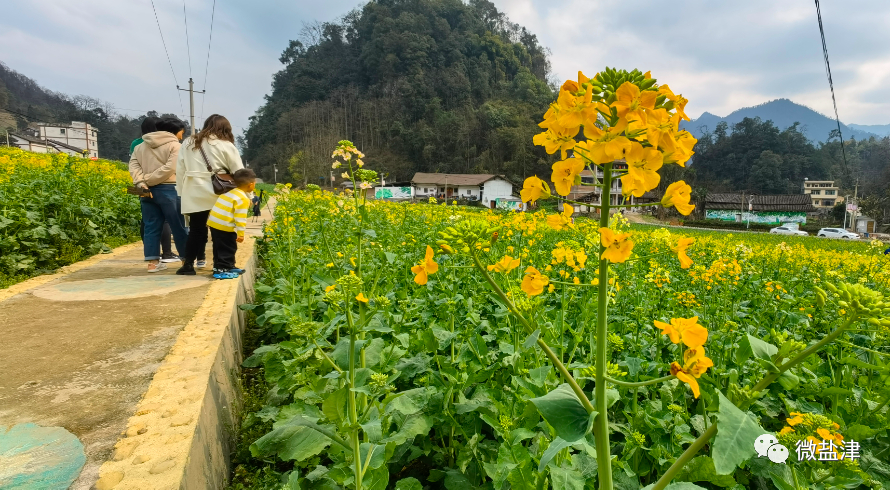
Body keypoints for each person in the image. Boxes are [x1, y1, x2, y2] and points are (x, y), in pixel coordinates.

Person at [175, 114, 244, 275]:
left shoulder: (188, 142)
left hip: (193, 190)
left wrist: (181, 191)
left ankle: (188, 265)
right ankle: (222, 264)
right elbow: (239, 172)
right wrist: (248, 195)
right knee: (221, 230)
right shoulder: (225, 144)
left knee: (196, 230)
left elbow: (180, 169)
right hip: (218, 191)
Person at [128, 117, 190, 272]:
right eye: (182, 132)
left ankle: (153, 263)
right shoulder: (176, 146)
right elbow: (171, 168)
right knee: (179, 226)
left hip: (145, 190)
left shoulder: (140, 147)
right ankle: (185, 260)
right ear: (176, 131)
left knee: (151, 226)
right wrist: (151, 180)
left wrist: (142, 183)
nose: (182, 136)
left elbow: (133, 167)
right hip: (170, 188)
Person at [206, 168, 255, 279]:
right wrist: (241, 233)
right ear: (251, 185)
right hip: (224, 226)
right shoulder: (242, 198)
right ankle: (222, 270)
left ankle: (225, 266)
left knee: (219, 247)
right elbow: (240, 218)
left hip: (214, 223)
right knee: (228, 248)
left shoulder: (229, 192)